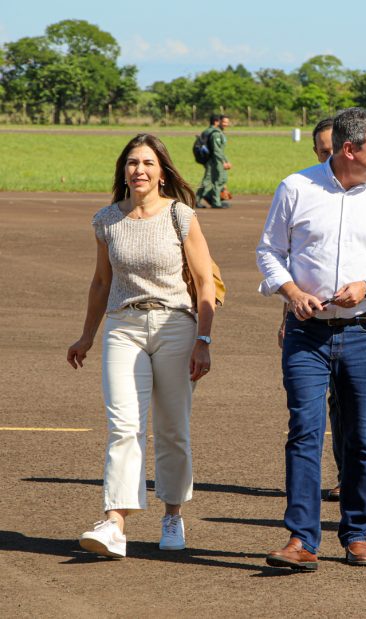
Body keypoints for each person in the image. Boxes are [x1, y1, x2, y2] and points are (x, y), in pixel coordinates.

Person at [257, 107, 366, 570]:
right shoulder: (296, 187)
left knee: (362, 437)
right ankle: (301, 540)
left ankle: (356, 533)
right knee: (305, 432)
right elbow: (269, 252)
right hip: (306, 334)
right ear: (350, 150)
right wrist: (291, 292)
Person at [67, 133, 217, 558]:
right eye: (132, 163)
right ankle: (115, 521)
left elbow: (205, 282)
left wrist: (203, 340)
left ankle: (173, 515)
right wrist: (86, 335)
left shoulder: (181, 216)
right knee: (124, 427)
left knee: (172, 429)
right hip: (123, 326)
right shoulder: (106, 220)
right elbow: (101, 282)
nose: (139, 170)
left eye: (148, 163)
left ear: (162, 172)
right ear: (124, 170)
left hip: (176, 327)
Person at [196, 114, 232, 209]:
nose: (226, 124)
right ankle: (211, 200)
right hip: (213, 161)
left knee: (214, 180)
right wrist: (223, 162)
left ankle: (208, 198)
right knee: (213, 180)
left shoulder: (213, 132)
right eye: (224, 122)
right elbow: (217, 150)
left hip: (213, 160)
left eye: (227, 122)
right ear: (217, 122)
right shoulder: (216, 134)